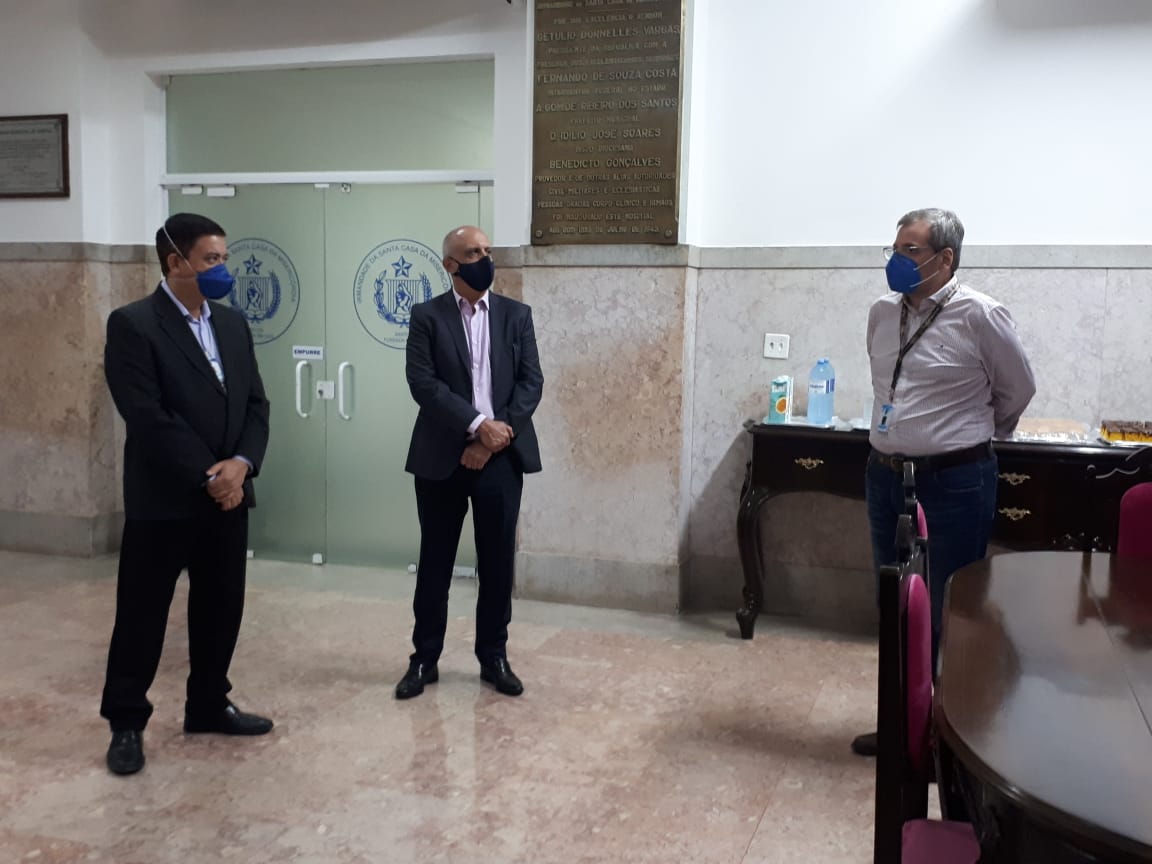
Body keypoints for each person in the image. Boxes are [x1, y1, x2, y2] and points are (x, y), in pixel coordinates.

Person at [852, 208, 1035, 757]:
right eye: (893, 249)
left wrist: (967, 434)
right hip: (886, 476)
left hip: (955, 482)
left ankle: (947, 738)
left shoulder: (981, 315)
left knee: (948, 610)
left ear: (945, 258)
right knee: (895, 605)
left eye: (909, 251)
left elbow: (1017, 390)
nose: (896, 261)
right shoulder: (882, 313)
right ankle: (901, 727)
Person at [100, 213, 273, 775]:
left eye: (224, 258)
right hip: (165, 499)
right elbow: (147, 415)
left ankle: (208, 705)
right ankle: (127, 721)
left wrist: (241, 466)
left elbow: (255, 405)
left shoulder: (233, 324)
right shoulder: (134, 325)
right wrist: (209, 474)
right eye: (210, 260)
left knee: (221, 606)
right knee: (143, 613)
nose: (222, 269)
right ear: (176, 262)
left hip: (229, 496)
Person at [395, 225, 543, 699]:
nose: (484, 258)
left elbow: (531, 384)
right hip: (443, 456)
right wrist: (478, 425)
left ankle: (494, 656)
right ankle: (424, 659)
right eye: (473, 252)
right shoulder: (426, 316)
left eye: (487, 250)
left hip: (501, 458)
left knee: (497, 564)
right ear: (450, 264)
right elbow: (423, 384)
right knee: (435, 562)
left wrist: (493, 439)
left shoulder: (516, 315)